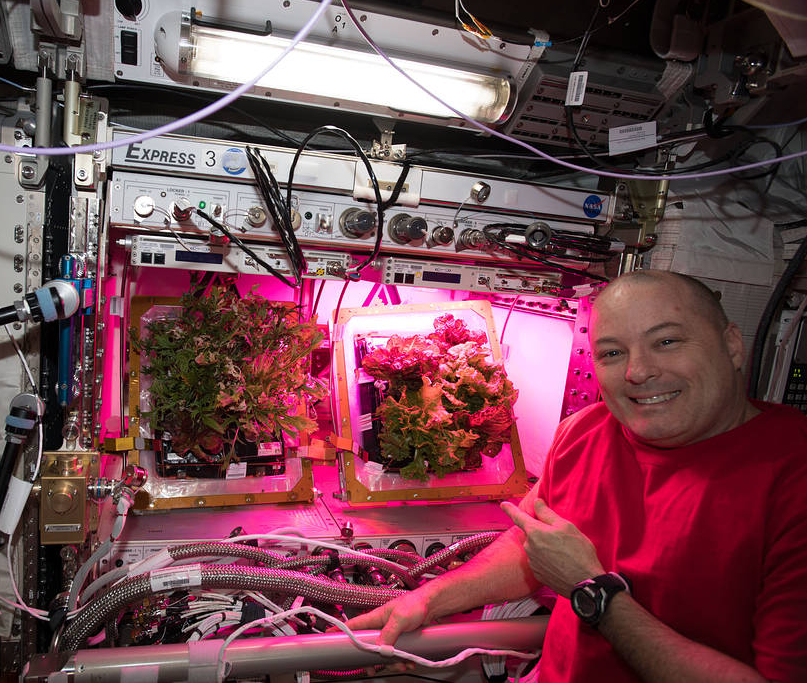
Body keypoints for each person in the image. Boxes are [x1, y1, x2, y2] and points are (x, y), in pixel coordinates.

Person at [346, 270, 807, 682]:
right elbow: (532, 546)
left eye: (667, 341)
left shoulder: (791, 474)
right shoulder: (587, 431)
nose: (639, 371)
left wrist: (593, 592)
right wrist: (430, 599)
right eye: (612, 352)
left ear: (732, 344)